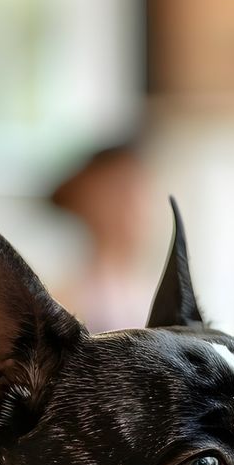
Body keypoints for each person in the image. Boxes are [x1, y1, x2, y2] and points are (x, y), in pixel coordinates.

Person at [48, 137, 157, 332]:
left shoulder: (154, 294)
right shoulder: (63, 299)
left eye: (139, 193)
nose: (136, 206)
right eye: (120, 193)